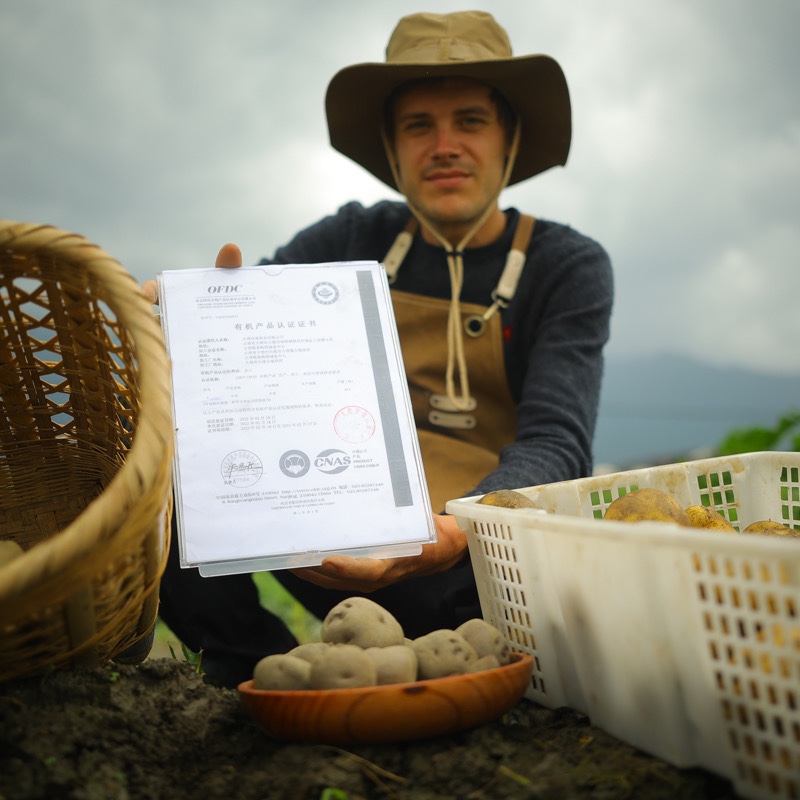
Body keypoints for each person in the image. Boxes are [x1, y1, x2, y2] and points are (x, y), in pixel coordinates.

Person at [144, 10, 613, 686]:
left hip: (476, 560)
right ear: (393, 150)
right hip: (329, 538)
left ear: (509, 138)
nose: (445, 144)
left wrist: (452, 530)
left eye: (471, 121)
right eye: (419, 125)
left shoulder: (565, 265)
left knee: (483, 608)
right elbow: (237, 331)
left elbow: (558, 442)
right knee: (162, 486)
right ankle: (251, 671)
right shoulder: (349, 240)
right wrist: (190, 316)